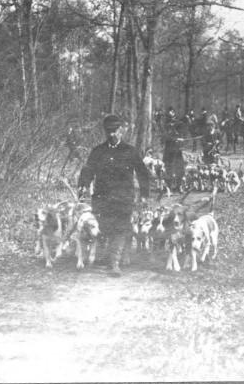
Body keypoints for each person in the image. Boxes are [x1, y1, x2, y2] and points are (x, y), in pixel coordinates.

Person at [78, 115, 150, 277]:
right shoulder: (98, 151)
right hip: (102, 198)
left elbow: (143, 173)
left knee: (120, 228)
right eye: (108, 132)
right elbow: (88, 170)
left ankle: (114, 263)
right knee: (104, 227)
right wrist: (83, 185)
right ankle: (110, 256)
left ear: (121, 131)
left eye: (115, 131)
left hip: (123, 198)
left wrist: (144, 194)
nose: (111, 135)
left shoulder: (130, 151)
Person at [163, 119, 186, 193]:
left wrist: (180, 142)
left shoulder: (177, 133)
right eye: (170, 126)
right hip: (169, 156)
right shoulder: (168, 133)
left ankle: (178, 187)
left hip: (178, 155)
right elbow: (168, 139)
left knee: (181, 171)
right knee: (169, 172)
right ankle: (169, 188)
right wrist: (176, 140)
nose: (172, 128)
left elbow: (181, 145)